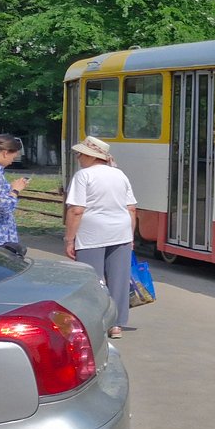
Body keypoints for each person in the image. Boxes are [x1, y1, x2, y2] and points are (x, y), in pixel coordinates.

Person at [65, 136, 138, 339]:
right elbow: (131, 208)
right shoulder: (120, 174)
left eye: (80, 153)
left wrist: (69, 239)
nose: (78, 157)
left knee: (92, 280)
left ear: (90, 155)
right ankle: (116, 325)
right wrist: (130, 236)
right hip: (121, 232)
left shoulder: (83, 176)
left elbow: (76, 210)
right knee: (119, 280)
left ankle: (94, 323)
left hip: (92, 234)